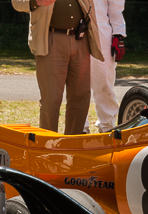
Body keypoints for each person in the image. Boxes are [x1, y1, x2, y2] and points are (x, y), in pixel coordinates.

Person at [12, 0, 105, 135]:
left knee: (80, 96)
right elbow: (16, 2)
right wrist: (36, 1)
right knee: (51, 98)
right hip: (50, 40)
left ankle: (73, 143)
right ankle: (48, 143)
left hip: (81, 39)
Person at [85, 0, 126, 133]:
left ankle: (107, 127)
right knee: (77, 84)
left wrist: (118, 34)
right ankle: (80, 127)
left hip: (102, 30)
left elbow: (116, 6)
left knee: (104, 82)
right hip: (73, 30)